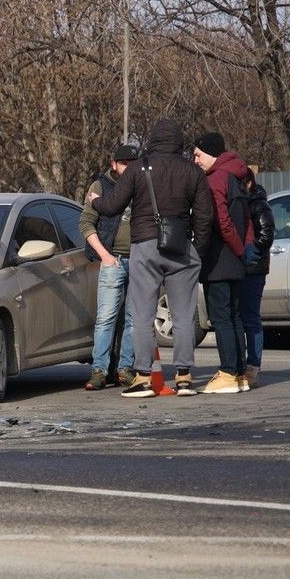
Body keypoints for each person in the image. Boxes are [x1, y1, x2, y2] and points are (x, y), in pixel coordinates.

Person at [89, 119, 214, 398]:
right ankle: (183, 376)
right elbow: (205, 216)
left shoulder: (137, 168)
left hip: (145, 247)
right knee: (182, 315)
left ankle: (144, 377)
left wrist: (94, 200)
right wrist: (198, 251)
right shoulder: (192, 171)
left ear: (153, 140)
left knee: (143, 315)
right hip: (182, 248)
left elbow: (111, 207)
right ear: (180, 141)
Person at [192, 132, 254, 394]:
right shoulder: (236, 176)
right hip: (236, 263)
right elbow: (247, 219)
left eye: (197, 154)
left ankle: (228, 372)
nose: (195, 160)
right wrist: (246, 248)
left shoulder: (215, 179)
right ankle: (240, 374)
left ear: (210, 153)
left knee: (221, 318)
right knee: (234, 317)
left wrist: (239, 249)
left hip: (220, 261)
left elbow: (222, 222)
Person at [79, 144, 138, 390]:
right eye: (124, 163)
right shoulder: (100, 186)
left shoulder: (142, 185)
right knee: (106, 317)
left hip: (139, 261)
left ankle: (125, 369)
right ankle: (99, 371)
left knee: (133, 318)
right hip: (113, 259)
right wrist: (104, 255)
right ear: (113, 164)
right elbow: (86, 224)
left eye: (132, 164)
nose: (128, 168)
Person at [240, 169, 276, 387]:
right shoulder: (246, 201)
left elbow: (267, 233)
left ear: (249, 183)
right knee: (243, 317)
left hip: (253, 268)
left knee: (251, 318)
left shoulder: (257, 203)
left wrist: (250, 253)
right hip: (244, 265)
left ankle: (253, 367)